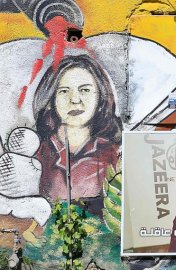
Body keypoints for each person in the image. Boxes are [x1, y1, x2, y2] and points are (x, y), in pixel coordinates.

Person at [32, 54, 122, 215]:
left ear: (100, 97)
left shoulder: (115, 156)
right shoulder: (35, 155)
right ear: (51, 98)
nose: (75, 100)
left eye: (85, 90)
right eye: (64, 91)